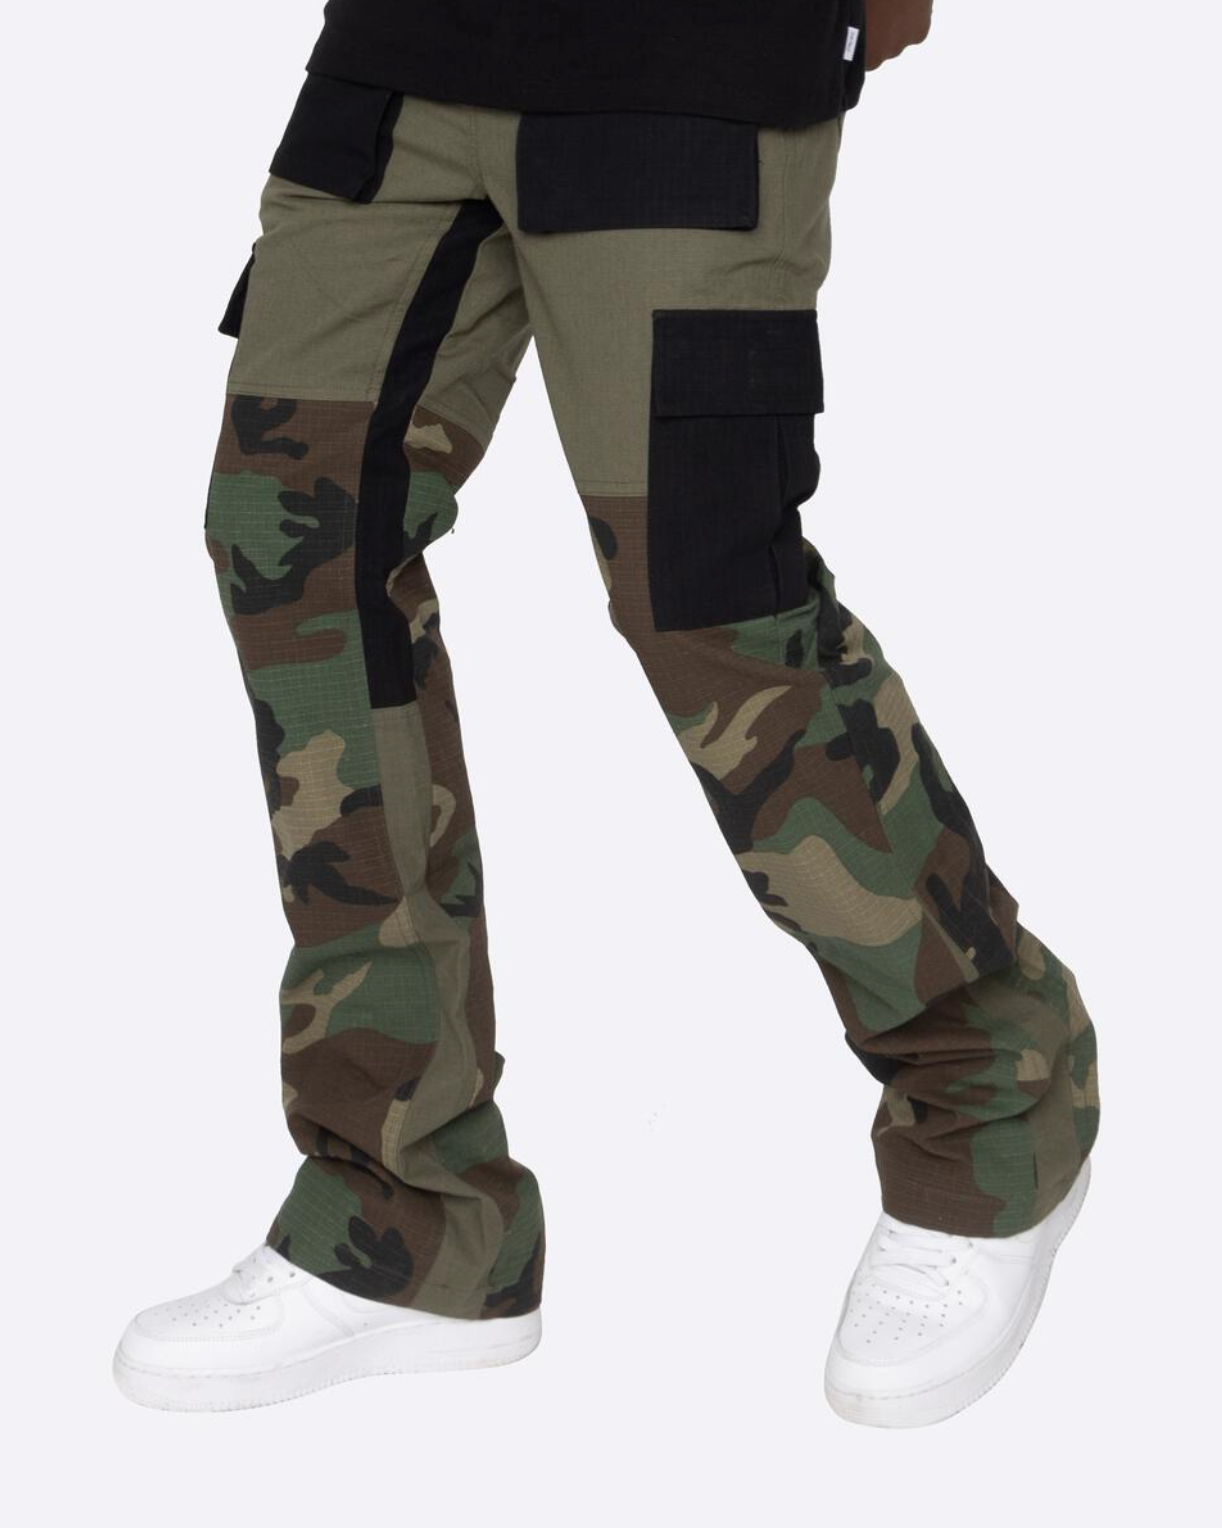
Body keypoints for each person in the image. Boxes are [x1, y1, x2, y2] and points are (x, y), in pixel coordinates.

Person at [113, 0, 1099, 1425]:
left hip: (688, 57)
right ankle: (409, 1213)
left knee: (708, 600)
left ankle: (997, 1090)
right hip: (406, 51)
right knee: (295, 546)